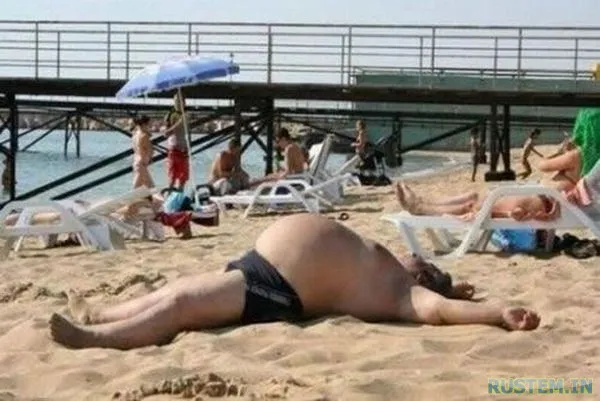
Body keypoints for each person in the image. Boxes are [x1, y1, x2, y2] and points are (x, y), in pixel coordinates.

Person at [49, 213, 539, 350]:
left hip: (277, 288)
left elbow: (442, 311)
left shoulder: (404, 292)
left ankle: (96, 338)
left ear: (424, 275)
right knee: (176, 289)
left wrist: (497, 312)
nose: (412, 253)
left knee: (179, 306)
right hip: (263, 266)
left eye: (420, 260)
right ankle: (101, 313)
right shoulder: (390, 270)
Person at [394, 181, 560, 222]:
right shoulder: (558, 197)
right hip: (539, 198)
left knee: (470, 207)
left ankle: (419, 207)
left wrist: (507, 214)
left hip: (534, 203)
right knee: (473, 196)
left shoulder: (572, 159)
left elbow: (519, 215)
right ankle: (422, 201)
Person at [161, 93, 190, 190]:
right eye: (176, 101)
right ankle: (169, 195)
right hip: (174, 149)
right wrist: (178, 123)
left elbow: (188, 132)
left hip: (184, 150)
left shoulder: (186, 114)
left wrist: (189, 145)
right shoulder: (170, 115)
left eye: (180, 101)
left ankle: (179, 196)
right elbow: (166, 134)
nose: (178, 103)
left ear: (184, 103)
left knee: (183, 178)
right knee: (172, 177)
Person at [131, 115, 155, 189]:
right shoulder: (144, 136)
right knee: (150, 186)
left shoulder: (135, 135)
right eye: (149, 124)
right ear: (144, 124)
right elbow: (150, 150)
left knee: (139, 185)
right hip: (142, 163)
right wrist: (150, 158)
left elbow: (136, 148)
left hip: (136, 161)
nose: (150, 126)